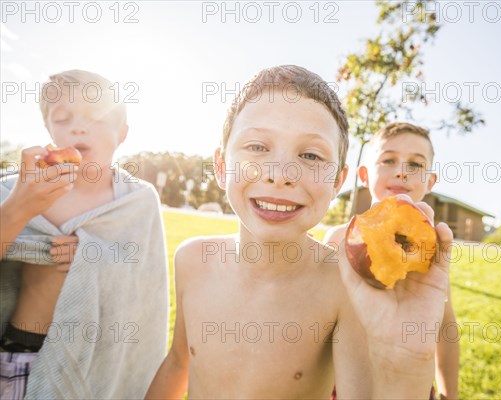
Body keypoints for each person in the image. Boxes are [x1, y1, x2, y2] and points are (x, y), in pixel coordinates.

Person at [146, 65, 453, 399]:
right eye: (257, 147)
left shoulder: (344, 288)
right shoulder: (192, 260)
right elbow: (178, 363)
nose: (281, 174)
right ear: (221, 167)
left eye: (310, 155)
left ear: (338, 181)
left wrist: (405, 366)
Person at [0, 70, 169, 399]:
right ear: (48, 129)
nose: (78, 127)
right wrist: (18, 207)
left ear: (122, 133)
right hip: (19, 352)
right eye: (62, 118)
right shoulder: (14, 188)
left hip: (96, 365)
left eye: (95, 116)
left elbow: (147, 286)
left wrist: (96, 256)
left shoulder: (137, 200)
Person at [324, 122, 459, 399]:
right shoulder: (338, 240)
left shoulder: (428, 253)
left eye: (416, 164)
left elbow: (446, 328)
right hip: (345, 387)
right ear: (364, 174)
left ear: (430, 181)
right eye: (388, 160)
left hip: (411, 386)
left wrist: (449, 394)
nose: (401, 171)